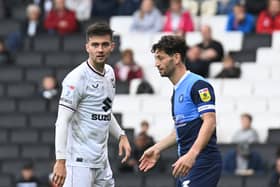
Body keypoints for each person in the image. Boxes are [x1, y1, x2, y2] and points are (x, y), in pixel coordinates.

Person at [51, 22, 131, 187]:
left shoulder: (109, 73)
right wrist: (60, 161)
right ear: (87, 47)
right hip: (78, 162)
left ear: (112, 46)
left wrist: (121, 135)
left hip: (101, 161)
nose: (100, 49)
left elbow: (105, 111)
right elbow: (62, 121)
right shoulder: (76, 79)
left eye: (104, 44)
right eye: (95, 45)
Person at [139, 35, 222, 187]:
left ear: (176, 58)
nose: (157, 64)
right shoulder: (176, 93)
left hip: (202, 162)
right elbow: (178, 131)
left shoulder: (198, 84)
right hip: (185, 163)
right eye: (156, 59)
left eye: (161, 58)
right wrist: (157, 148)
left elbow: (210, 121)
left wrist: (192, 154)